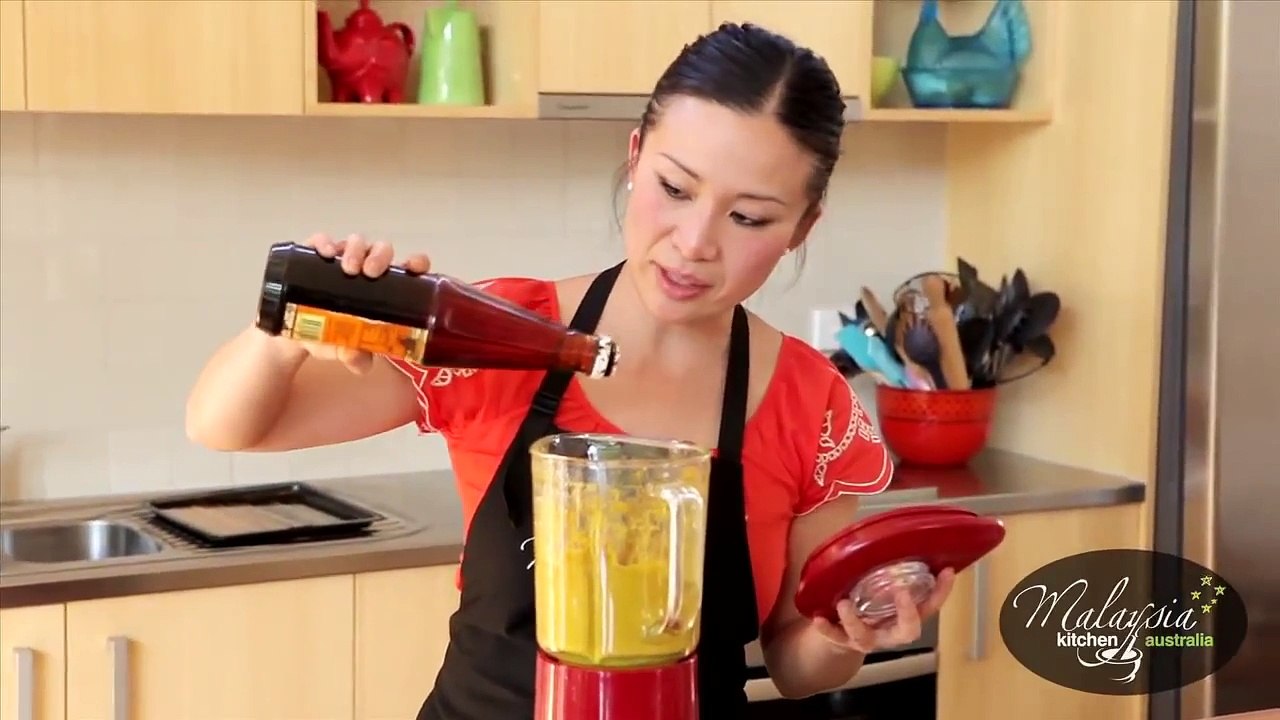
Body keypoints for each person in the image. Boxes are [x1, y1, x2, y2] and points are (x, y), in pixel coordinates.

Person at [186, 21, 955, 720]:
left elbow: (794, 661)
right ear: (633, 158)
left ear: (801, 227)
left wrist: (847, 635)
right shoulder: (498, 335)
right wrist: (289, 331)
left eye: (748, 217)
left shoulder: (811, 404)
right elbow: (226, 426)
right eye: (674, 188)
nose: (693, 241)